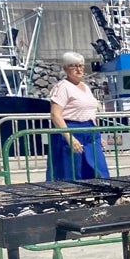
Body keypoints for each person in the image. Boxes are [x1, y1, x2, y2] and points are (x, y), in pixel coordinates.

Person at [47, 52, 109, 180]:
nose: (78, 69)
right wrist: (70, 138)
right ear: (65, 69)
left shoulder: (85, 87)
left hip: (90, 132)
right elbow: (55, 114)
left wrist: (98, 134)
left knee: (99, 169)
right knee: (72, 172)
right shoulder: (62, 87)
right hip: (71, 129)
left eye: (81, 65)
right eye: (73, 66)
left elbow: (90, 113)